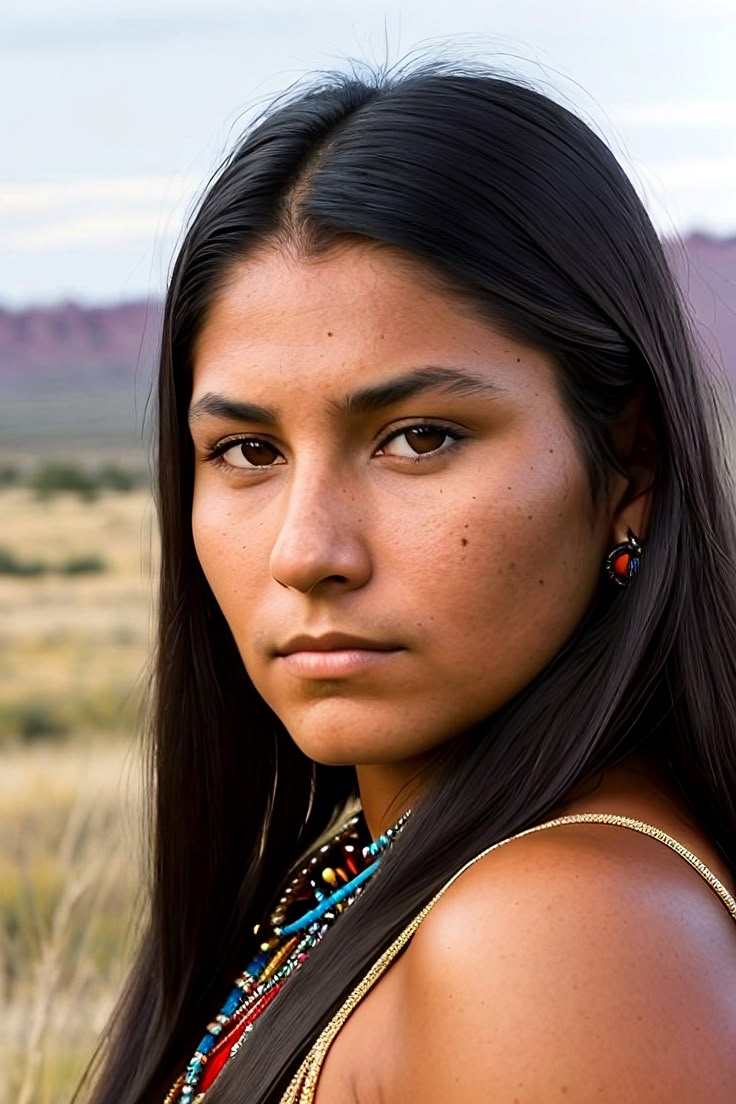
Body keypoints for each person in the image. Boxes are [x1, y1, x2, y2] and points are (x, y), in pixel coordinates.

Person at [84, 54, 736, 1104]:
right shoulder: (403, 873)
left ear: (631, 467)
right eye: (248, 452)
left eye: (418, 438)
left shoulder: (557, 931)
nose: (307, 552)